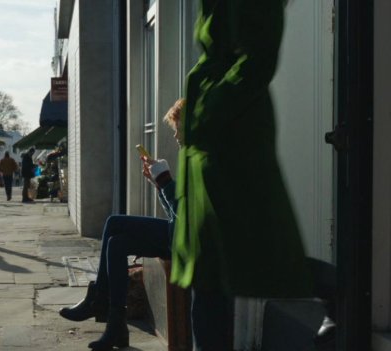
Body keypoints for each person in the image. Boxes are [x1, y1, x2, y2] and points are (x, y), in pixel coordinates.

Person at [176, 1, 312, 349]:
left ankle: (336, 297)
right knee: (207, 278)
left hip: (227, 139)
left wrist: (210, 110)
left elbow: (258, 58)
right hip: (211, 144)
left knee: (241, 259)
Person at [59, 99, 184, 350]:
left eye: (178, 128)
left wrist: (166, 183)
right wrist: (160, 184)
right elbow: (178, 211)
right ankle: (115, 326)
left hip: (186, 239)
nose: (176, 136)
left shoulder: (200, 159)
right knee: (116, 242)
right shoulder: (193, 156)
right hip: (179, 233)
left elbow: (183, 217)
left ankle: (100, 302)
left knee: (115, 224)